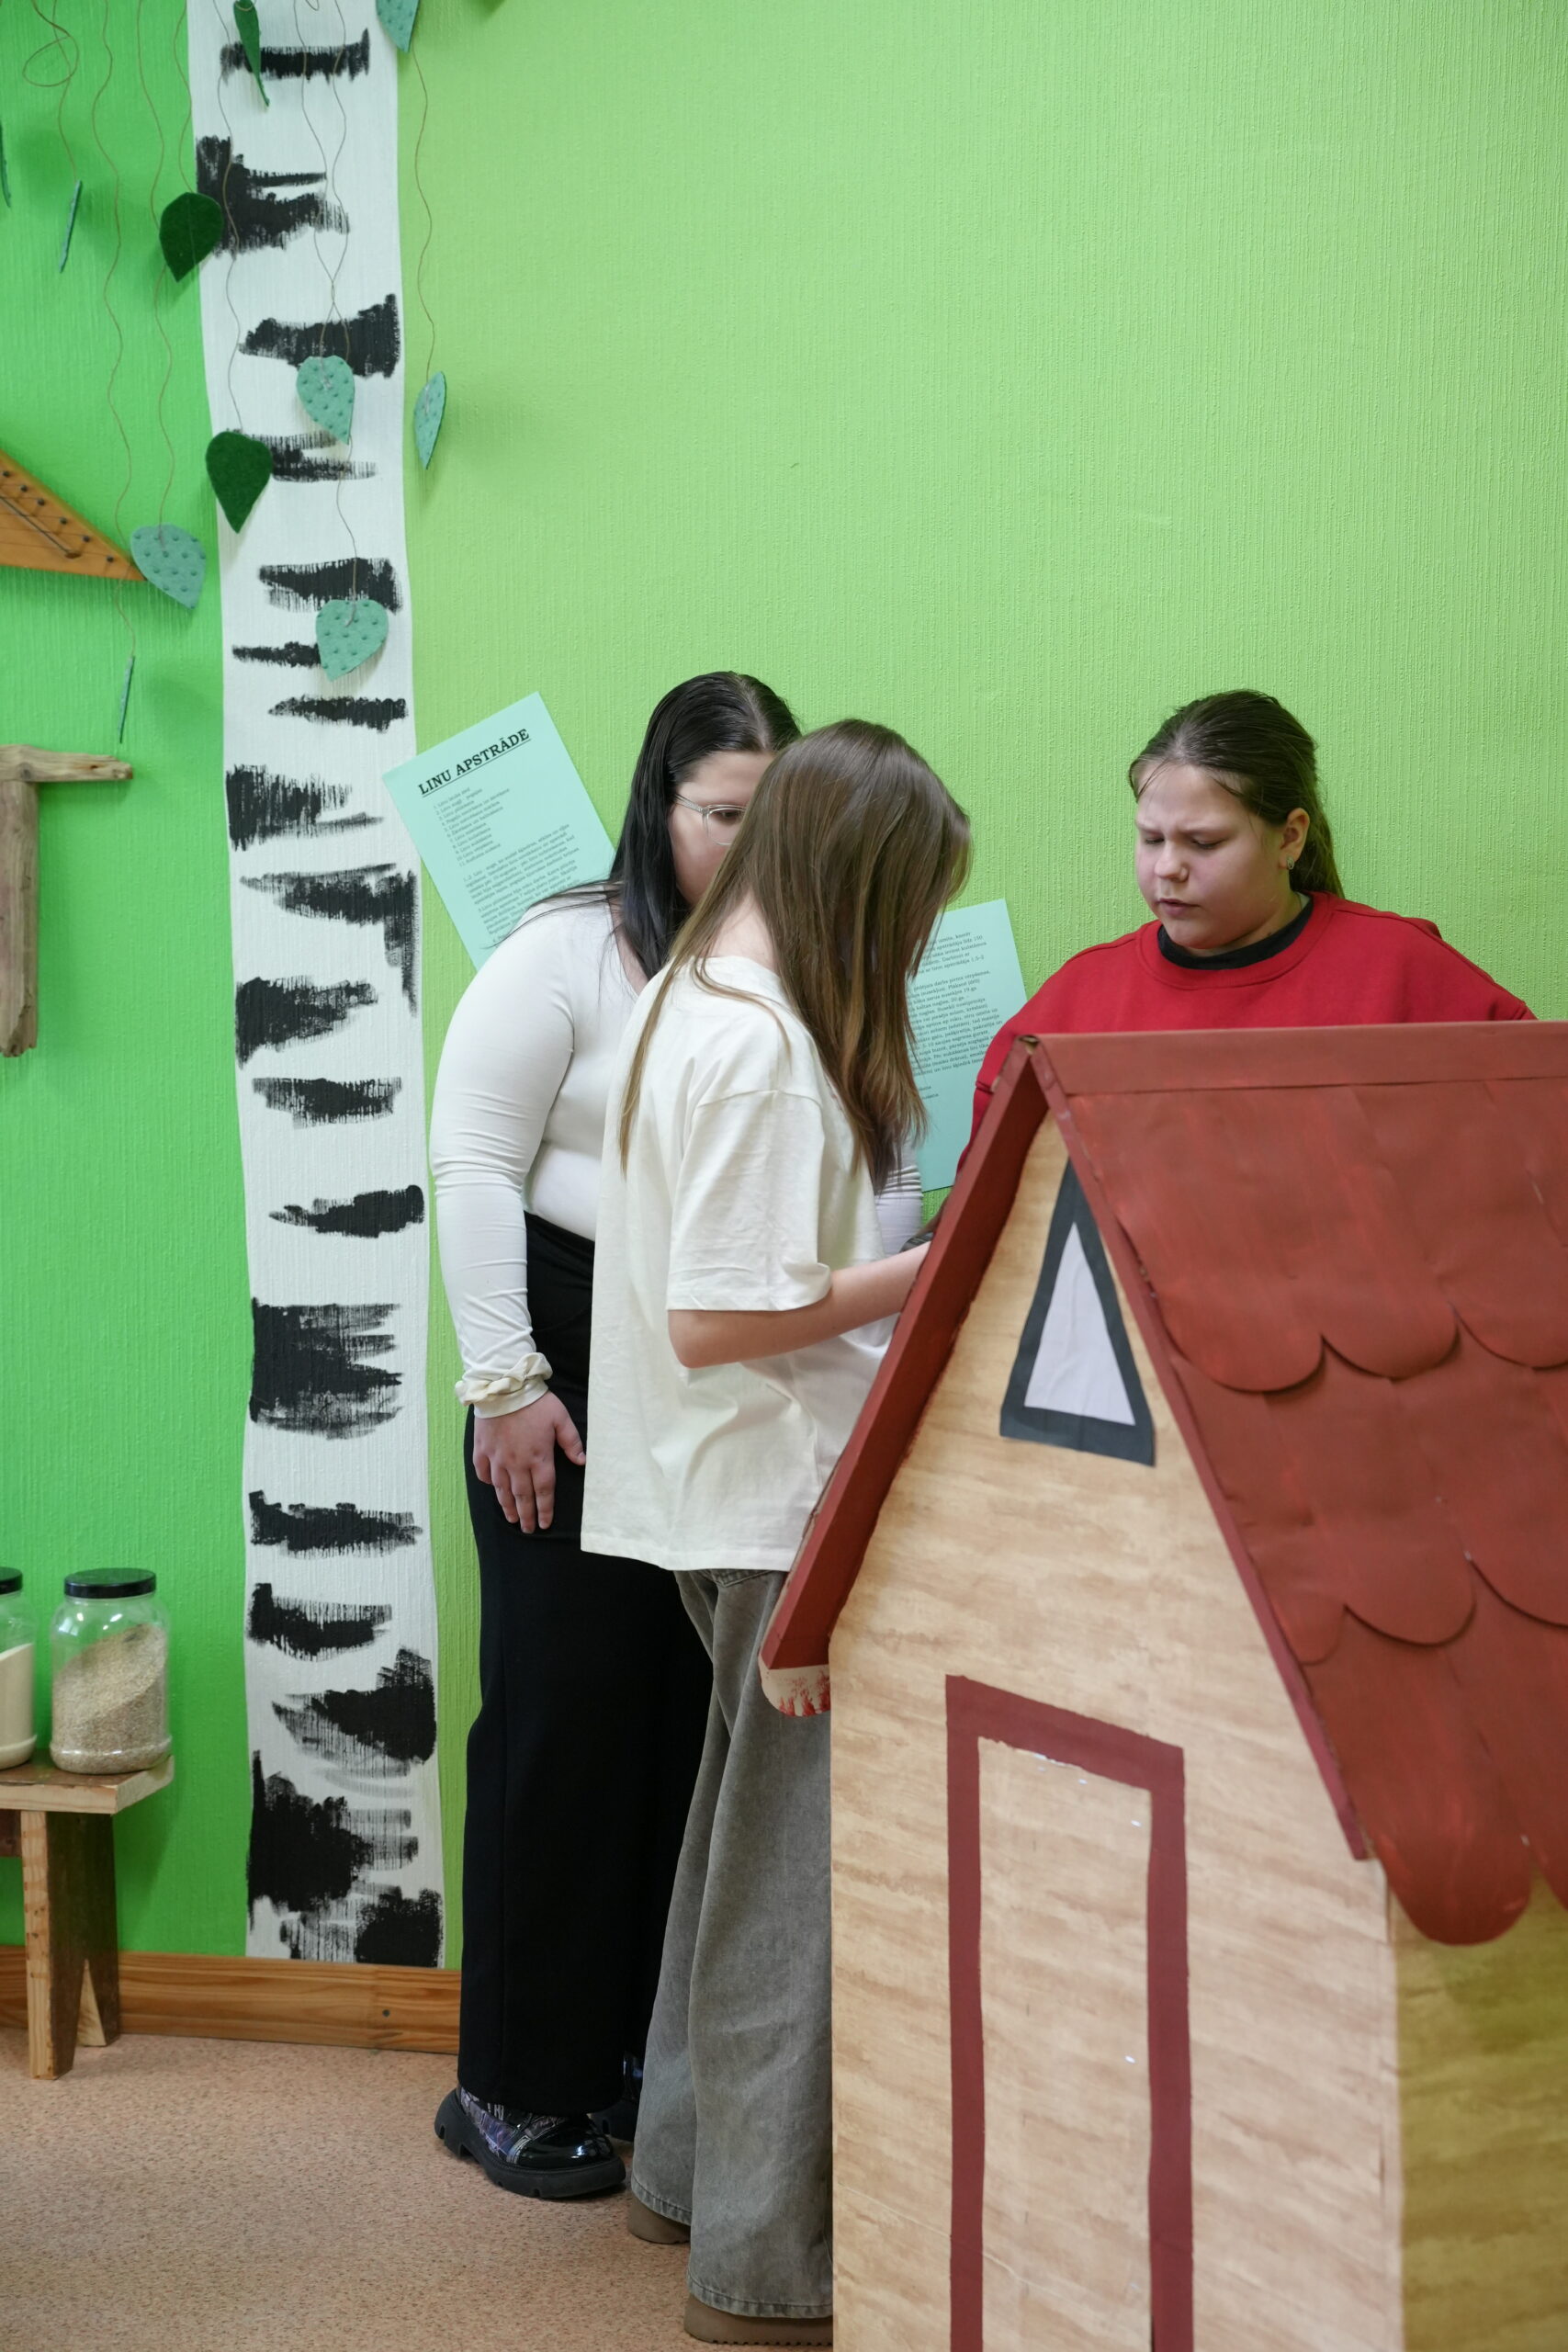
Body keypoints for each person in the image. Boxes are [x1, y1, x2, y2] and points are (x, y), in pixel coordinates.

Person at [583, 720, 971, 2346]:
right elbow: (722, 1316)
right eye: (911, 909)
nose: (916, 945)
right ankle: (760, 2261)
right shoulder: (751, 1044)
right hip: (771, 1498)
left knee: (734, 1855)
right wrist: (939, 1264)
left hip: (723, 1491)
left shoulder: (691, 995)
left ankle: (685, 2174)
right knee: (792, 1891)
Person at [428, 673, 801, 2199]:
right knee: (561, 1712)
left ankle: (636, 2059)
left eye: (774, 815)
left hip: (702, 1357)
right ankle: (513, 2082)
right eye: (722, 813)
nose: (747, 843)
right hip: (561, 1343)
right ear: (659, 804)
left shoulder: (788, 957)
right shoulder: (563, 949)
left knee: (671, 1715)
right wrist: (505, 1386)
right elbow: (470, 1162)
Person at [972, 688, 1531, 1135]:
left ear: (1289, 838)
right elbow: (993, 1209)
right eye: (1151, 838)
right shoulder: (1074, 1004)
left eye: (1204, 842)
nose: (1168, 867)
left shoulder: (1400, 969)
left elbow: (1537, 1127)